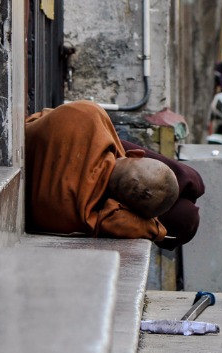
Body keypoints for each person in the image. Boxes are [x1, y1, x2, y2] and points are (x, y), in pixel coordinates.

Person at [25, 101, 200, 247]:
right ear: (120, 206)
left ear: (136, 153)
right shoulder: (77, 217)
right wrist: (157, 231)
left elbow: (38, 117)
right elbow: (115, 222)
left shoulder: (91, 114)